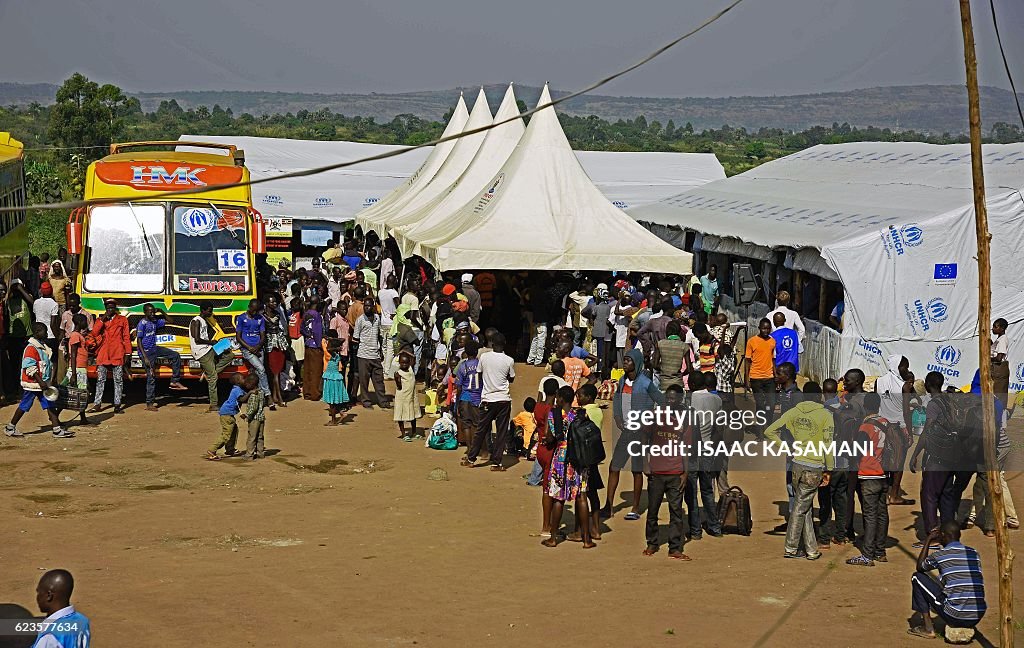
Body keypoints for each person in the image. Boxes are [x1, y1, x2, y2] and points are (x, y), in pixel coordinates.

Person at [763, 375, 835, 560]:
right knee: (801, 508)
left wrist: (786, 447)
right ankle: (791, 548)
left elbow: (769, 431)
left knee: (805, 506)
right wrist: (829, 469)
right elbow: (828, 445)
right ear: (819, 396)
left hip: (797, 464)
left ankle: (811, 550)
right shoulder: (825, 415)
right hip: (814, 466)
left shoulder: (795, 412)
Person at [603, 348, 665, 521]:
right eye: (625, 360)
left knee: (637, 471)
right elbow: (616, 398)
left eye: (629, 360)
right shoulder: (622, 381)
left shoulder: (645, 383)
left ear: (636, 363)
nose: (625, 363)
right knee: (614, 467)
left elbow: (661, 401)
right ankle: (608, 506)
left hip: (640, 434)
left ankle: (636, 508)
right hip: (626, 432)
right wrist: (616, 416)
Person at [908, 521, 986, 639]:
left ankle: (928, 629)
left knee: (917, 577)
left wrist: (928, 540)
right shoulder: (973, 553)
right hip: (977, 615)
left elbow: (920, 567)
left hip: (956, 615)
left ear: (943, 536)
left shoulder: (940, 555)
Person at [541, 386, 592, 548]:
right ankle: (586, 539)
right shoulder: (580, 414)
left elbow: (549, 438)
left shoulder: (554, 414)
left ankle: (553, 538)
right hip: (579, 459)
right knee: (581, 497)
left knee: (558, 498)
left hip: (561, 459)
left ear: (561, 399)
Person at [644, 384, 690, 559]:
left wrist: (685, 472)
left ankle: (675, 547)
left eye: (673, 398)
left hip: (676, 472)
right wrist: (644, 462)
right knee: (653, 510)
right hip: (656, 471)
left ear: (680, 400)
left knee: (676, 511)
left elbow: (686, 446)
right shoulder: (656, 415)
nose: (670, 401)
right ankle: (652, 543)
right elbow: (644, 437)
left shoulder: (685, 419)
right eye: (667, 398)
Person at [846, 392, 892, 566]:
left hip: (869, 474)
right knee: (882, 514)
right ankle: (880, 551)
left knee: (870, 515)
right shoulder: (885, 423)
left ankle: (867, 555)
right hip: (883, 474)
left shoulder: (865, 426)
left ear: (866, 406)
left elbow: (857, 451)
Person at [5, 323, 71, 438]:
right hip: (33, 384)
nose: (46, 334)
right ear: (37, 332)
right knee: (24, 405)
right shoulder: (31, 348)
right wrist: (40, 381)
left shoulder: (41, 346)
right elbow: (29, 367)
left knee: (50, 404)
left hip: (42, 383)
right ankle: (10, 427)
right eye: (44, 332)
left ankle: (56, 429)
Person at [463, 333, 515, 471]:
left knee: (481, 429)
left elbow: (479, 374)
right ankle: (496, 463)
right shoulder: (509, 360)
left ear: (492, 344)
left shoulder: (484, 357)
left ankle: (471, 458)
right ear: (504, 344)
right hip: (503, 399)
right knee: (501, 432)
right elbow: (511, 378)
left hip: (487, 399)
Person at [686, 371, 723, 539]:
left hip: (691, 451)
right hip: (708, 449)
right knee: (708, 490)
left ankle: (695, 530)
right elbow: (718, 429)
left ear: (692, 385)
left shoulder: (688, 400)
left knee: (691, 492)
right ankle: (714, 527)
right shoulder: (717, 400)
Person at [875, 354, 914, 506]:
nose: (906, 369)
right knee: (898, 463)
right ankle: (894, 495)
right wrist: (909, 433)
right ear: (898, 366)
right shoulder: (904, 386)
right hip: (899, 427)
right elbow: (906, 411)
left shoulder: (879, 381)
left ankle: (884, 494)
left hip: (882, 426)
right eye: (905, 366)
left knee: (884, 460)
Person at [137, 303, 187, 411]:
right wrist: (144, 357)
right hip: (146, 353)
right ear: (145, 312)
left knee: (175, 355)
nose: (152, 313)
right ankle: (149, 403)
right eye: (150, 311)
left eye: (153, 311)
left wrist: (162, 312)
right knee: (151, 377)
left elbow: (171, 321)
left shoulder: (155, 321)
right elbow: (139, 341)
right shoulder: (142, 323)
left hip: (154, 349)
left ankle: (174, 381)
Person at [189, 303, 234, 412]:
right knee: (213, 377)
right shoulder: (196, 321)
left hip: (209, 348)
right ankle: (213, 404)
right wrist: (211, 342)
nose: (211, 313)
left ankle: (208, 373)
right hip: (201, 352)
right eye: (209, 311)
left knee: (230, 354)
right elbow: (197, 339)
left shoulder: (204, 321)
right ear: (202, 310)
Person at [89, 298, 130, 414]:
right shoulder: (101, 320)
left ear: (115, 308)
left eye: (112, 308)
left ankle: (117, 404)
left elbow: (126, 337)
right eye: (108, 308)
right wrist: (103, 319)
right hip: (104, 353)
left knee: (118, 380)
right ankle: (97, 403)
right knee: (100, 379)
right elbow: (94, 333)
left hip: (118, 352)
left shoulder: (122, 320)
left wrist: (128, 353)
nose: (110, 310)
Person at [31, 568, 91, 648]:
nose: (37, 597)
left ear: (49, 596)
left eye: (39, 593)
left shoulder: (49, 636)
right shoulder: (82, 620)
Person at [353, 297, 389, 408]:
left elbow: (379, 335)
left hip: (375, 355)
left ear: (373, 306)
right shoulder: (360, 320)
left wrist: (381, 351)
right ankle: (366, 401)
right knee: (364, 381)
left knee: (379, 380)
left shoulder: (378, 318)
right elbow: (355, 339)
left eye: (369, 306)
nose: (367, 308)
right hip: (363, 355)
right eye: (365, 306)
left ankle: (383, 401)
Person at [206, 374, 252, 460]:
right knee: (226, 434)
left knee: (234, 430)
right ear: (238, 381)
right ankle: (212, 450)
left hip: (228, 413)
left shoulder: (238, 389)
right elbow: (242, 399)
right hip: (226, 414)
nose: (245, 380)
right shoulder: (237, 390)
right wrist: (250, 392)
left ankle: (230, 449)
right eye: (243, 378)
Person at [744, 318, 776, 436]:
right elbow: (747, 361)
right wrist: (747, 379)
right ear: (759, 328)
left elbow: (772, 359)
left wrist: (776, 375)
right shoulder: (752, 341)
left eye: (768, 328)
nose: (766, 331)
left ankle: (768, 425)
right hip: (756, 378)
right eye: (764, 328)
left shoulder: (772, 341)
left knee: (771, 403)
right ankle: (760, 431)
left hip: (769, 377)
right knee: (760, 404)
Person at [236, 298, 271, 399]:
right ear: (249, 307)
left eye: (256, 310)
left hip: (259, 349)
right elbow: (238, 337)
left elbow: (263, 335)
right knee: (261, 369)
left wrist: (258, 346)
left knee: (259, 372)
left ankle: (259, 397)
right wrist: (249, 348)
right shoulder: (241, 318)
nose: (254, 312)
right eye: (253, 310)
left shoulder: (260, 318)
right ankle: (268, 395)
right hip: (247, 350)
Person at [63, 313, 93, 428]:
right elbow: (74, 355)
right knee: (79, 394)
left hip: (80, 369)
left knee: (80, 394)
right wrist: (74, 374)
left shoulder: (78, 335)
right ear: (80, 322)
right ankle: (82, 418)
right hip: (78, 369)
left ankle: (83, 418)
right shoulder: (75, 336)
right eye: (85, 321)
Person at [263, 293, 290, 409]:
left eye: (275, 302)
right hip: (270, 345)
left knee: (277, 371)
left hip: (279, 344)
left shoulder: (277, 314)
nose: (274, 304)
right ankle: (279, 398)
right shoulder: (262, 316)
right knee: (275, 373)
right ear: (266, 303)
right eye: (272, 302)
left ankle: (275, 396)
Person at [653, 319, 691, 390]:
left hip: (664, 384)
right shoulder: (684, 346)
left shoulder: (660, 344)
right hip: (678, 384)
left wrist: (664, 370)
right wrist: (680, 374)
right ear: (679, 332)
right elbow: (689, 369)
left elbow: (655, 365)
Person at [321, 335, 350, 426]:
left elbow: (328, 349)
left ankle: (333, 421)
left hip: (331, 379)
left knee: (331, 402)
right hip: (335, 378)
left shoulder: (332, 355)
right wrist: (332, 340)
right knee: (335, 399)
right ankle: (340, 413)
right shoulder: (337, 355)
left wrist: (330, 341)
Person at [393, 351, 420, 441]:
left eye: (406, 362)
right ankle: (404, 434)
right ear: (399, 363)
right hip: (402, 398)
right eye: (402, 362)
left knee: (413, 415)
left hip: (411, 397)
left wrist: (404, 352)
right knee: (401, 415)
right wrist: (397, 379)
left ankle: (414, 432)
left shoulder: (411, 369)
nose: (404, 364)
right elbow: (399, 386)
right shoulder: (398, 373)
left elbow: (414, 358)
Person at [301, 299, 325, 401]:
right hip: (315, 346)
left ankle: (307, 393)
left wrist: (308, 336)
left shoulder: (306, 314)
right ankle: (315, 394)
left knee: (308, 370)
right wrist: (320, 345)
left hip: (307, 344)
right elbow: (317, 331)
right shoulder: (317, 315)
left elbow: (302, 329)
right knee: (316, 371)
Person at [240, 373, 267, 460]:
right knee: (260, 437)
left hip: (254, 419)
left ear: (252, 384)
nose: (246, 385)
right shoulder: (261, 392)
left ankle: (249, 455)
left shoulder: (253, 395)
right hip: (261, 417)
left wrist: (246, 415)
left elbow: (253, 408)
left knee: (252, 437)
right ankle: (260, 453)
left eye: (247, 383)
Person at [32, 281, 59, 356]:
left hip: (39, 335)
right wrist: (57, 337)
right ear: (51, 291)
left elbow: (36, 317)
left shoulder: (36, 302)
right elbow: (52, 324)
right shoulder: (54, 304)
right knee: (53, 359)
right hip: (50, 335)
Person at [990, 317, 1009, 405]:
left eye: (995, 327)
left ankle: (1000, 414)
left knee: (998, 394)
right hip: (997, 368)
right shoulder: (999, 339)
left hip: (999, 369)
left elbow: (999, 358)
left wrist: (987, 359)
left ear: (1002, 328)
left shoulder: (1003, 340)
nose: (993, 328)